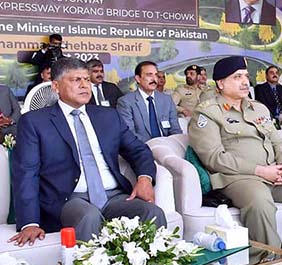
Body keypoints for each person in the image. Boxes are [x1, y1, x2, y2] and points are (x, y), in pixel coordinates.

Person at [189, 56, 282, 265]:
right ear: (220, 83)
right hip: (237, 179)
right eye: (237, 77)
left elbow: (278, 141)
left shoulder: (258, 108)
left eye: (245, 76)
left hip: (274, 175)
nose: (245, 81)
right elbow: (214, 158)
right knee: (260, 200)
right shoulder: (207, 113)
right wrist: (260, 171)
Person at [10, 58, 166, 245]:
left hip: (113, 196)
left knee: (152, 212)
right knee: (88, 216)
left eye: (87, 80)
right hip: (69, 199)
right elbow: (27, 173)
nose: (85, 85)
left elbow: (139, 150)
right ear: (56, 86)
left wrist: (144, 178)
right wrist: (29, 223)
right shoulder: (35, 122)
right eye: (76, 80)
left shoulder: (107, 116)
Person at [116, 61, 182, 143]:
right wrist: (154, 145)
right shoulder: (126, 102)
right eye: (149, 75)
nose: (154, 79)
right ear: (138, 78)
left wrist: (171, 145)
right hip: (142, 148)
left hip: (168, 147)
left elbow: (175, 129)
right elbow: (130, 134)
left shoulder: (167, 99)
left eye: (156, 75)